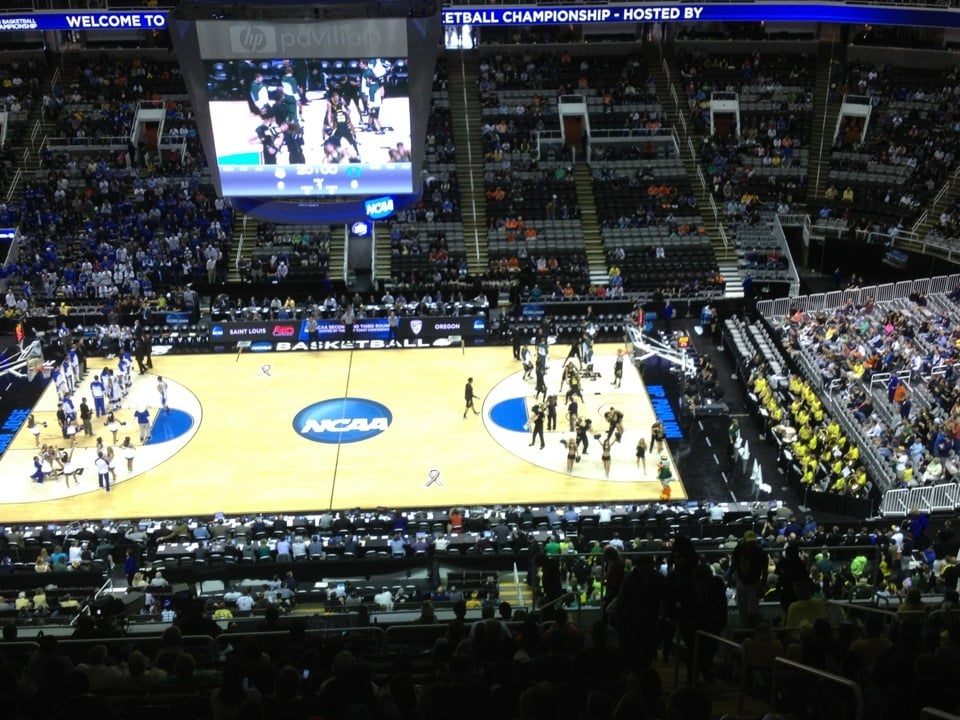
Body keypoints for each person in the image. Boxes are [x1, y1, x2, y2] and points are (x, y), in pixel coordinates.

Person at [729, 530, 768, 624]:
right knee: (742, 608)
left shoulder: (760, 553)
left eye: (752, 541)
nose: (751, 543)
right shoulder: (739, 549)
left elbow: (765, 571)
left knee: (752, 610)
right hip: (741, 581)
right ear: (745, 540)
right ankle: (745, 628)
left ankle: (752, 629)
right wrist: (729, 577)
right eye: (749, 542)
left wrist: (762, 585)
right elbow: (734, 564)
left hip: (754, 583)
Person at [325, 89, 361, 157]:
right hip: (345, 128)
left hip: (338, 127)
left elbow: (334, 123)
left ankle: (333, 153)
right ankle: (357, 152)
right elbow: (350, 124)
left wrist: (332, 128)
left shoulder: (336, 112)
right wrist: (353, 133)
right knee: (352, 140)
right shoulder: (343, 113)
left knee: (334, 140)